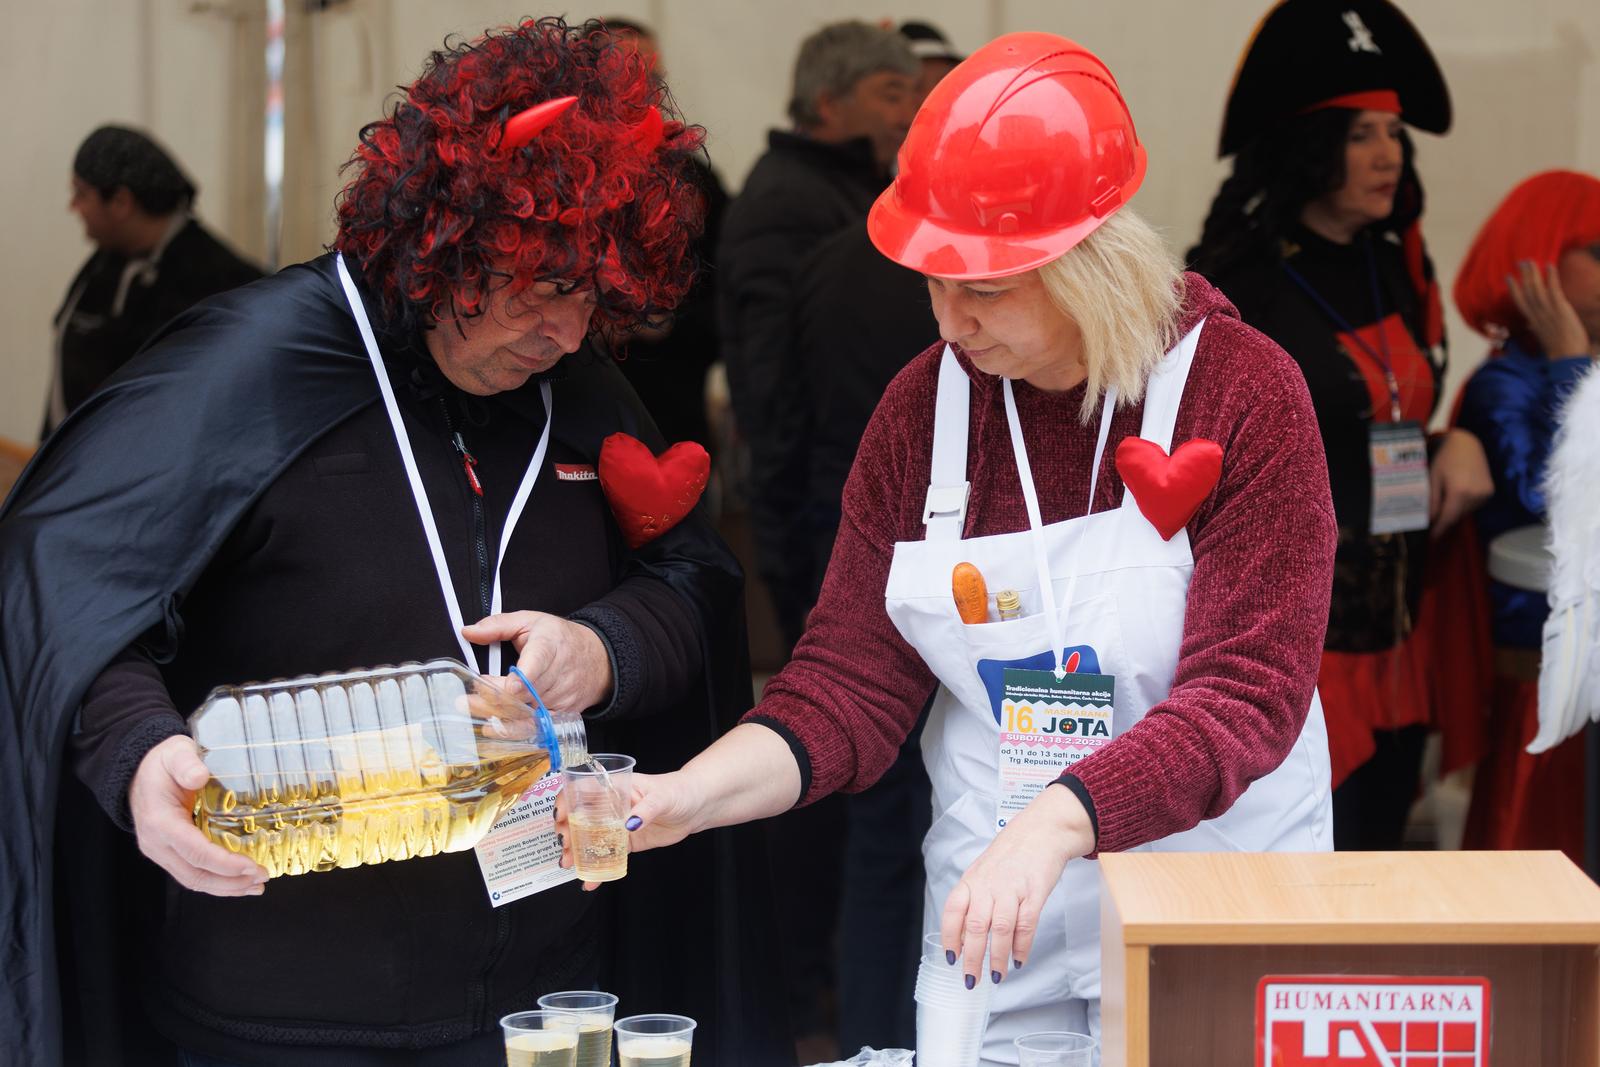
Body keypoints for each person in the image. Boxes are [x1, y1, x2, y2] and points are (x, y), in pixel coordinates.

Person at [0, 18, 787, 1067]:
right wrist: (138, 750)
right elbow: (67, 591)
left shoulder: (578, 390)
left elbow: (692, 581)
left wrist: (605, 647)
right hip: (281, 1002)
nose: (565, 332)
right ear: (446, 243)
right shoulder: (250, 371)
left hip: (539, 996)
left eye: (592, 296)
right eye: (540, 289)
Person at [562, 33, 1336, 1062]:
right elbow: (846, 680)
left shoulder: (1243, 390)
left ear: (1092, 257)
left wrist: (1064, 816)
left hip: (1206, 899)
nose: (949, 316)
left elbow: (1248, 689)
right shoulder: (925, 409)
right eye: (932, 280)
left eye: (986, 285)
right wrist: (680, 796)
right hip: (993, 912)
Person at [1189, 0, 1493, 851]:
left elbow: (1391, 406)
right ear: (1307, 145)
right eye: (1362, 133)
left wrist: (1452, 439)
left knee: (1387, 849)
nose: (1388, 154)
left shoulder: (1396, 263)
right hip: (1295, 644)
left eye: (1395, 133)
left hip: (1403, 625)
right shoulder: (1239, 284)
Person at [718, 19, 918, 653]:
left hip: (864, 491)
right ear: (829, 101)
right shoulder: (786, 201)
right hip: (822, 511)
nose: (909, 111)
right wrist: (790, 542)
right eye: (891, 92)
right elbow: (768, 383)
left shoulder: (862, 189)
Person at [1453, 170, 1600, 863]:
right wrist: (1572, 361)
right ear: (1538, 258)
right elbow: (1557, 505)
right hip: (1549, 679)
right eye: (1595, 252)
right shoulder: (1504, 382)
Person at [47, 125, 262, 438]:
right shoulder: (103, 263)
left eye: (81, 194)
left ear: (121, 202)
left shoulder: (220, 280)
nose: (73, 207)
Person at [596, 18, 730, 453]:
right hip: (575, 414)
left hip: (670, 417)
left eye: (655, 79)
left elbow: (726, 300)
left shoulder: (694, 180)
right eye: (631, 77)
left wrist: (664, 321)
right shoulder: (551, 180)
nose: (649, 93)